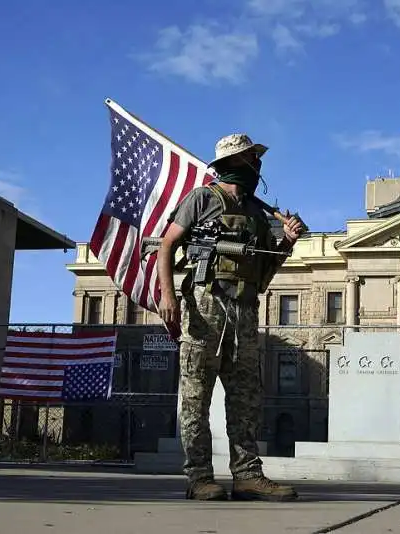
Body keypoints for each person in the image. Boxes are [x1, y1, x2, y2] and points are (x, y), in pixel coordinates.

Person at [156, 133, 305, 502]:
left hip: (245, 310)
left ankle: (248, 475)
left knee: (245, 399)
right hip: (206, 308)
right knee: (196, 397)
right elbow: (167, 244)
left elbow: (264, 266)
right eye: (250, 159)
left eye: (256, 158)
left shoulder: (257, 213)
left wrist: (286, 242)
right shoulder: (203, 199)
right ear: (232, 164)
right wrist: (167, 294)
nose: (257, 165)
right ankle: (199, 477)